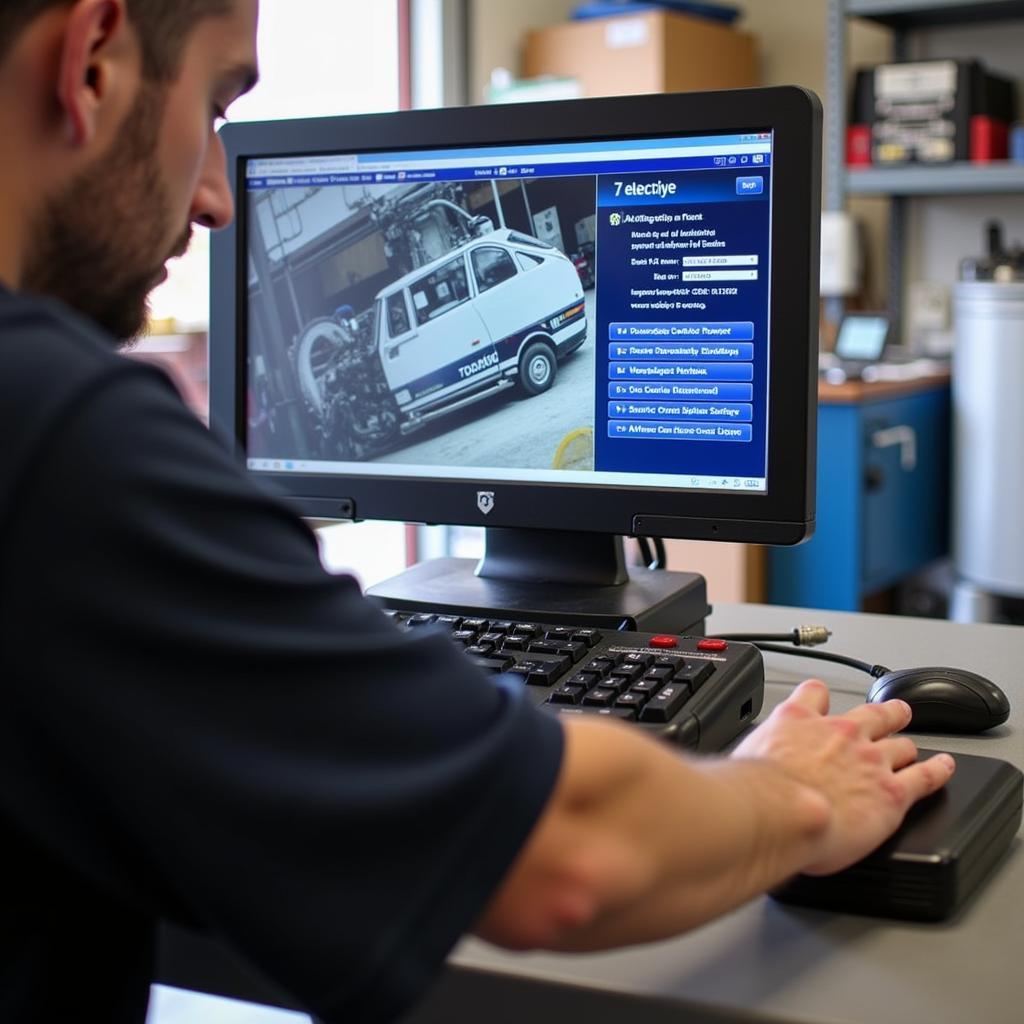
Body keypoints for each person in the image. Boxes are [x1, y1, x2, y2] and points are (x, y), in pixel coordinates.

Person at [0, 2, 955, 1022]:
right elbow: (565, 855)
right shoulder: (52, 432)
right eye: (217, 101)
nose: (215, 199)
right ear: (93, 59)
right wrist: (790, 793)